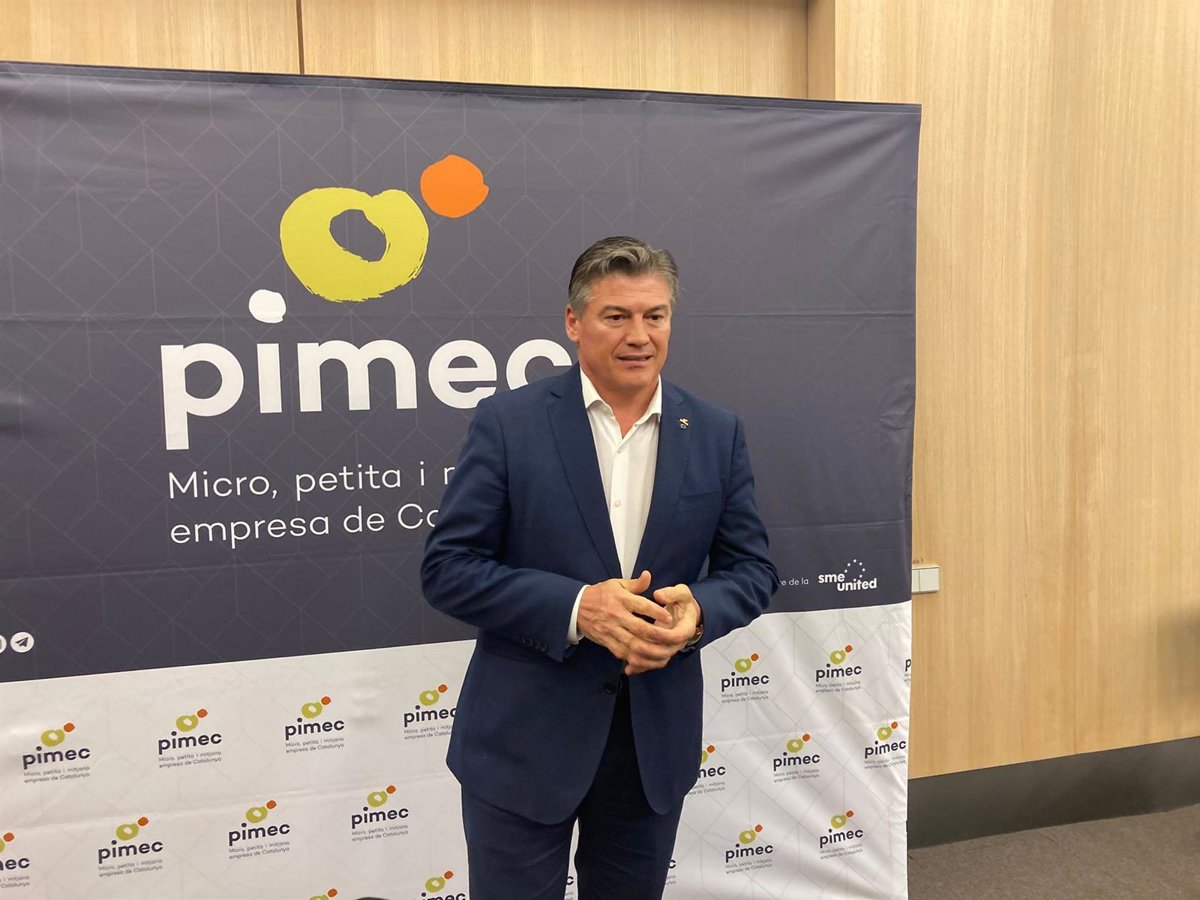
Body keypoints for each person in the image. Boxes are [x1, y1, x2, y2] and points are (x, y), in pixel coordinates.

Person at [421, 235, 777, 900]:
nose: (639, 335)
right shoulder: (508, 423)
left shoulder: (716, 432)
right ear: (574, 322)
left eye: (655, 315)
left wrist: (698, 614)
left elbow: (753, 570)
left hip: (650, 749)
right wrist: (577, 608)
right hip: (522, 744)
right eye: (617, 316)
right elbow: (448, 568)